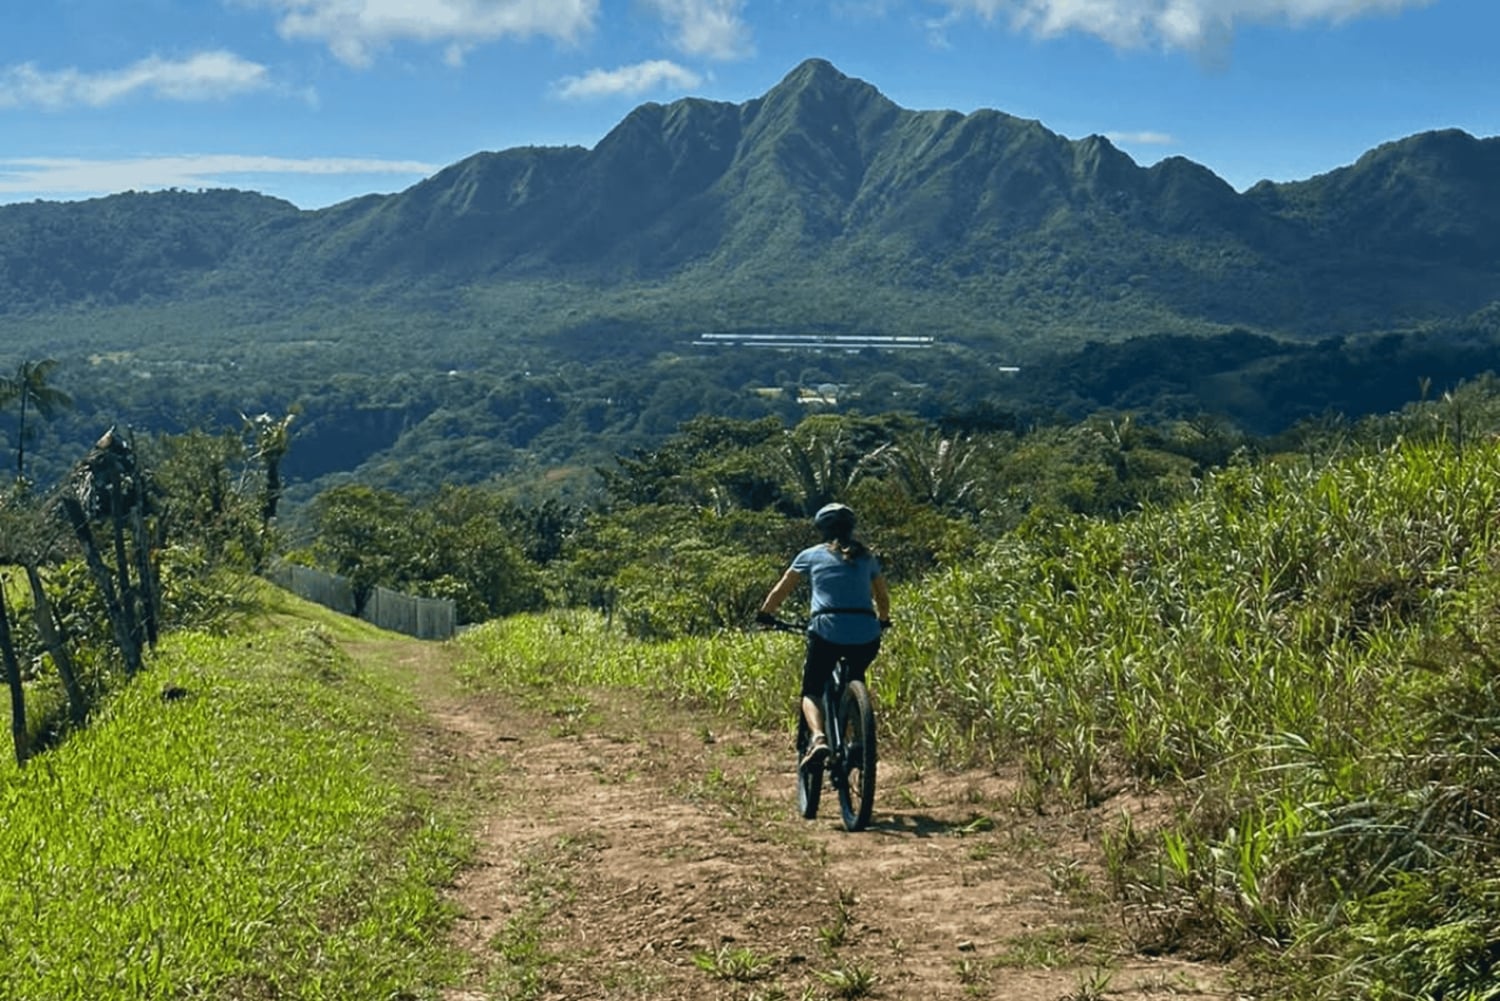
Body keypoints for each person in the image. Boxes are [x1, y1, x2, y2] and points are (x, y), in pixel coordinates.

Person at [757, 502, 891, 768]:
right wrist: (883, 621)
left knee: (812, 690)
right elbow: (883, 598)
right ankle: (858, 739)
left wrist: (765, 614)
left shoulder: (810, 555)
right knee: (854, 676)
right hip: (866, 634)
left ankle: (818, 738)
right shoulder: (866, 556)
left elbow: (780, 591)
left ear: (821, 529)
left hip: (826, 630)